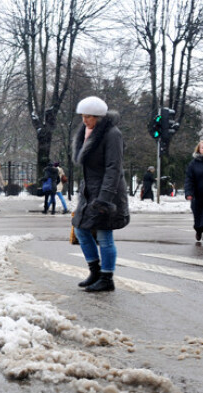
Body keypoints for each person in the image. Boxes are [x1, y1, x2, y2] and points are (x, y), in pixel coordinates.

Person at [71, 96, 130, 292]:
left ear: (98, 116)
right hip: (90, 191)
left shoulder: (112, 134)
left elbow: (114, 167)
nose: (84, 120)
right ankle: (95, 271)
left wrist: (105, 197)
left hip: (107, 192)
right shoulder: (88, 132)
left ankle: (107, 278)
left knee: (105, 235)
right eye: (82, 116)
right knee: (80, 229)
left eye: (88, 116)